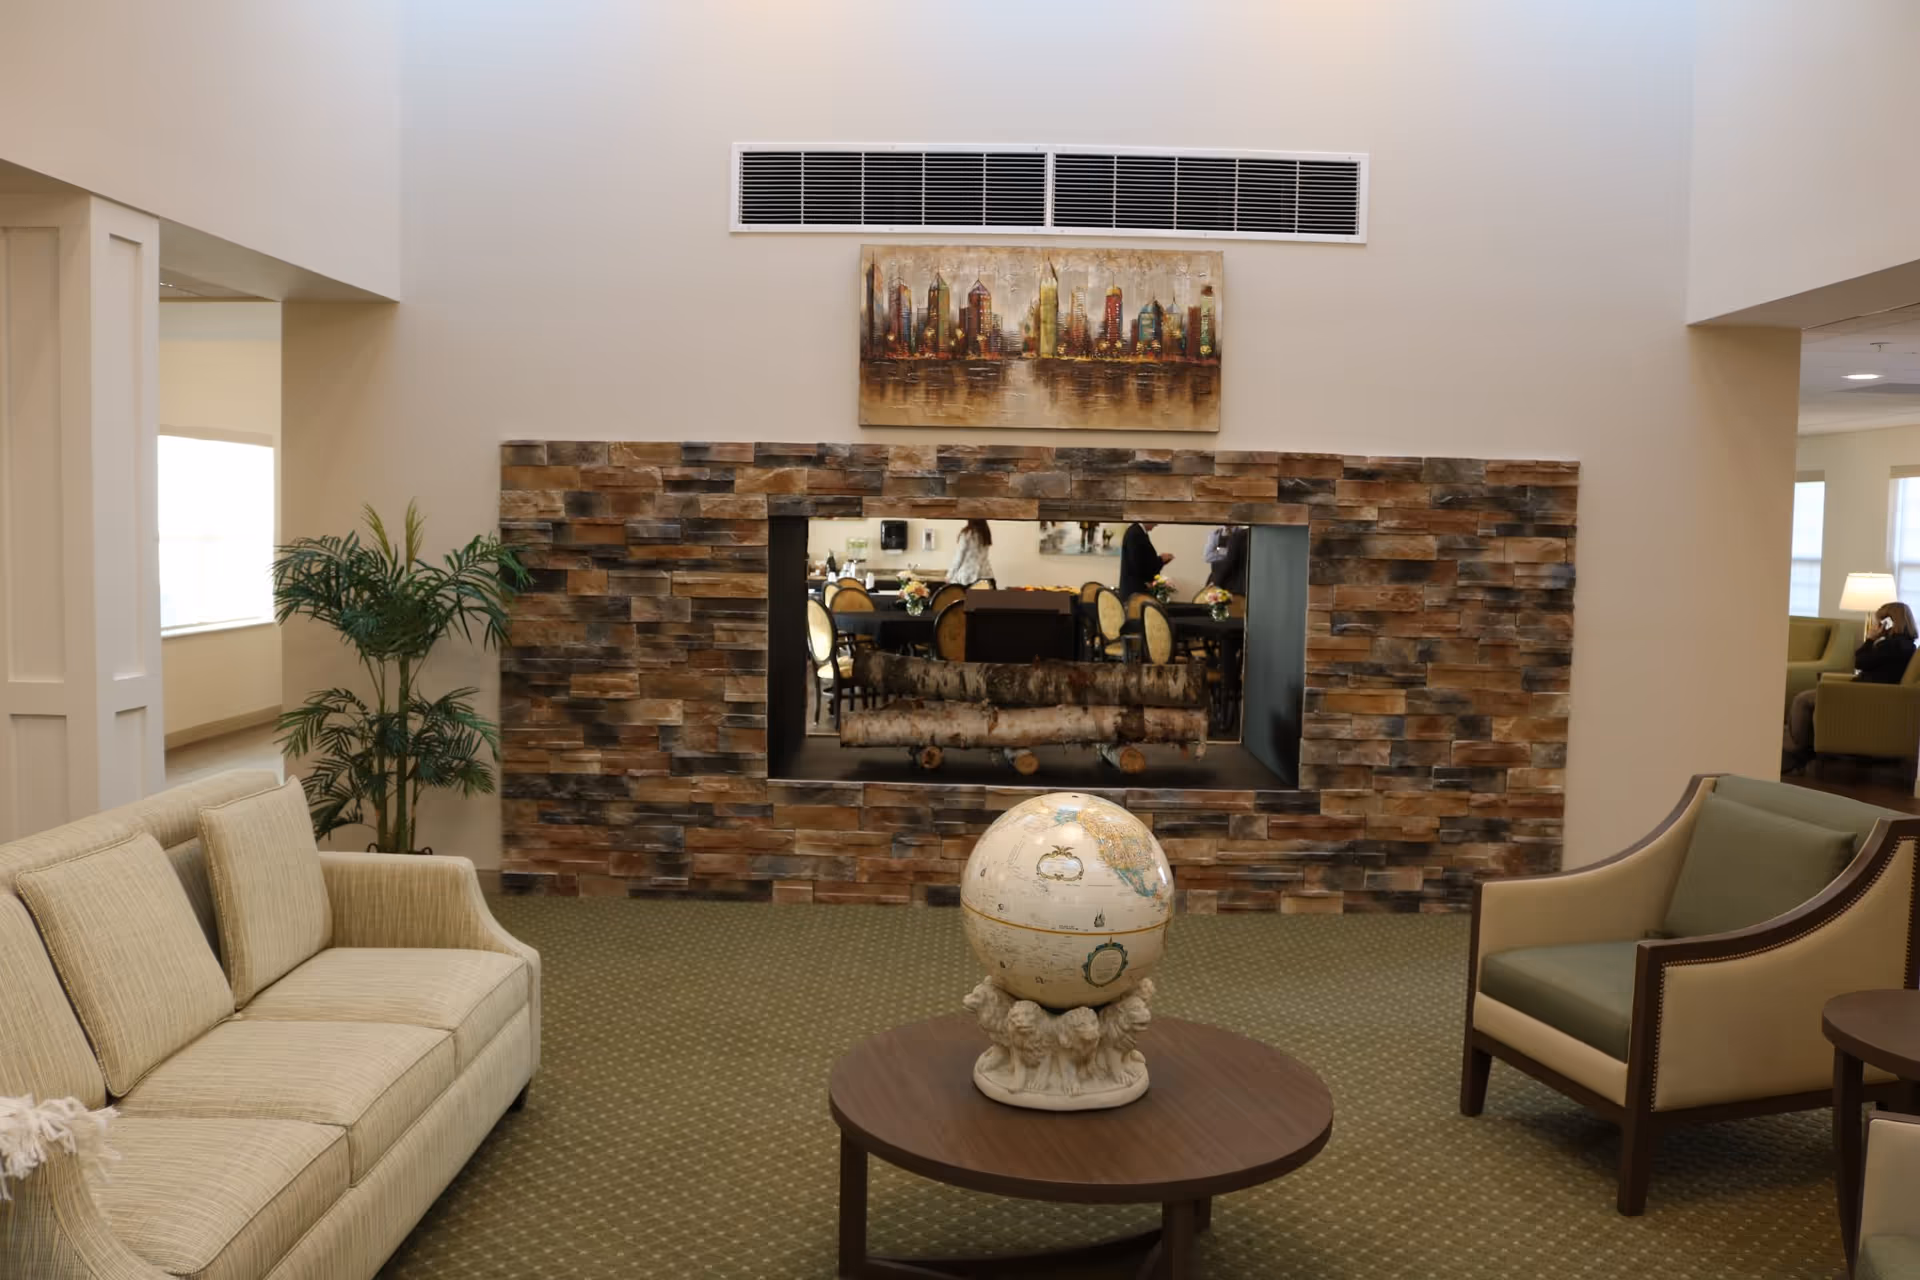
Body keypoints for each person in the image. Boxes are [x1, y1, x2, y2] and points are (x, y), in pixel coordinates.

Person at [1784, 600, 1917, 774]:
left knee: (1802, 700)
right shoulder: (1906, 645)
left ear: (1889, 622)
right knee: (1807, 700)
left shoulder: (1892, 646)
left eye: (1880, 621)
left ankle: (1796, 754)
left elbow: (1860, 661)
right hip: (1866, 693)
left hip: (1861, 695)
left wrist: (1870, 639)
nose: (1876, 625)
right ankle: (1805, 751)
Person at [1118, 521, 1172, 599]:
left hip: (1135, 591)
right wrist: (1161, 560)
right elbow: (1138, 564)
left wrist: (1160, 560)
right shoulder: (1135, 534)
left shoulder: (1138, 532)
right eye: (1155, 521)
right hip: (1134, 592)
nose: (1156, 524)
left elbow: (1143, 559)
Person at [948, 519, 994, 587]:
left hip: (969, 577)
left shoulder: (966, 534)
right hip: (986, 575)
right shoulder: (986, 533)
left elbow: (959, 557)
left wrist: (950, 575)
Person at [1207, 525, 1250, 595]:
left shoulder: (1239, 534)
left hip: (1236, 583)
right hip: (1228, 577)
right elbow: (1208, 556)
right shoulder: (1215, 534)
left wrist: (1219, 551)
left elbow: (1230, 562)